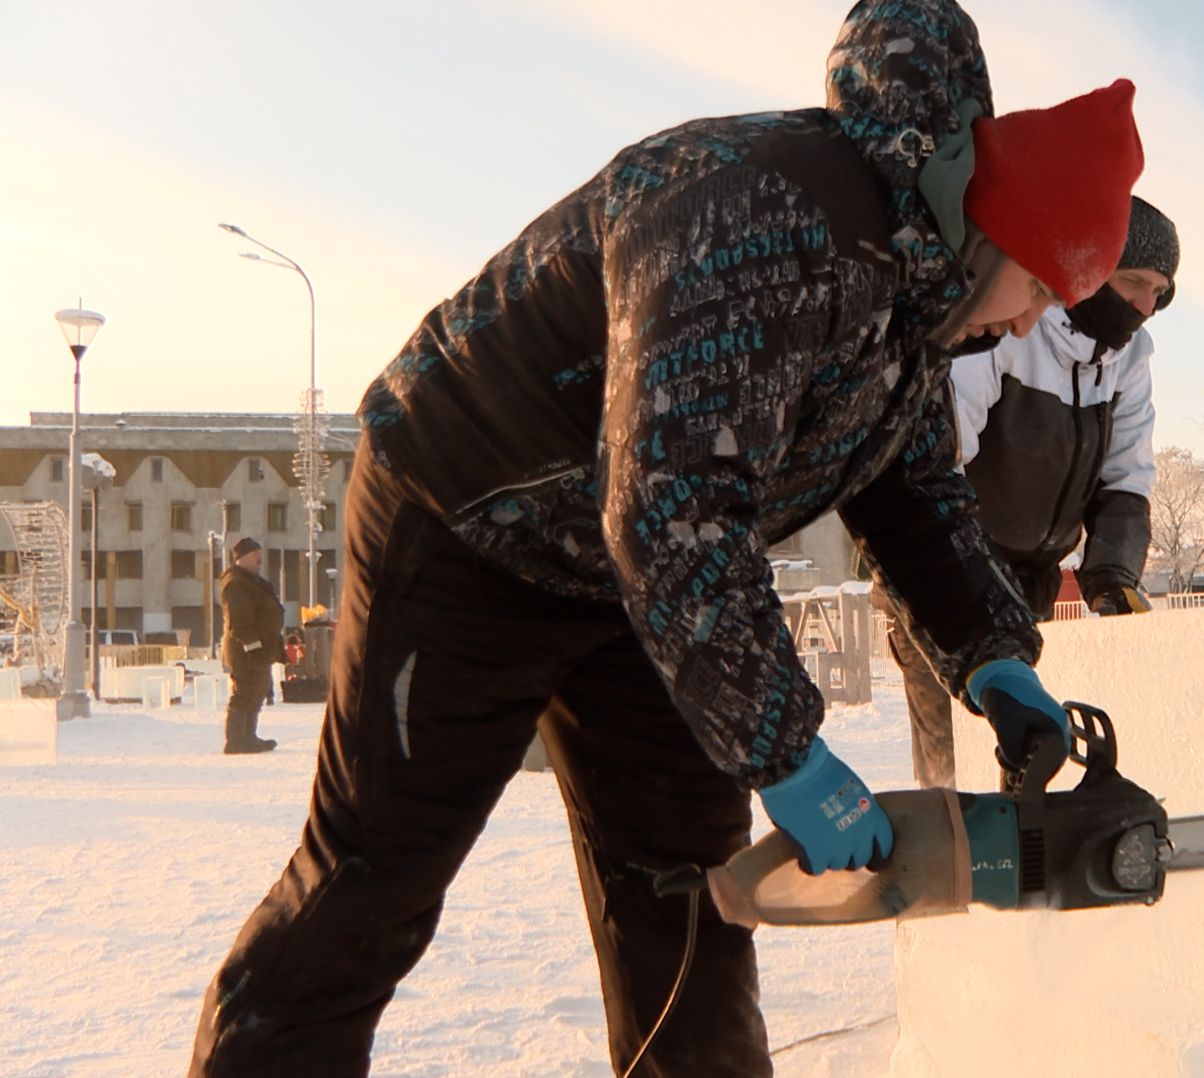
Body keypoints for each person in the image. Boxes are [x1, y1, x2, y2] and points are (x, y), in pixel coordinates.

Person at [188, 2, 1144, 1075]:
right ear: (994, 236)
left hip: (635, 587)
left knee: (688, 901)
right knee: (377, 876)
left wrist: (995, 655)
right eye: (1036, 291)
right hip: (466, 521)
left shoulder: (913, 310)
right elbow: (672, 508)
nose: (1028, 323)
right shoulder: (755, 212)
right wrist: (786, 749)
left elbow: (912, 490)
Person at [880, 197, 1178, 788]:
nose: (1146, 306)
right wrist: (975, 584)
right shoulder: (1009, 325)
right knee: (953, 775)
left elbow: (1127, 474)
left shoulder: (1130, 359)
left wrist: (1113, 576)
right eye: (1133, 281)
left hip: (1031, 589)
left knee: (1027, 756)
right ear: (1088, 275)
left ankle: (1013, 869)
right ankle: (953, 874)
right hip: (943, 577)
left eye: (1160, 292)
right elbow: (939, 462)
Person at [217, 536, 285, 755]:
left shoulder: (252, 580)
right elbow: (240, 620)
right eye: (256, 556)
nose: (260, 560)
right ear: (243, 557)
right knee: (245, 692)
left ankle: (249, 736)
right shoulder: (235, 583)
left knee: (258, 691)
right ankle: (236, 740)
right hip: (246, 651)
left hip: (260, 650)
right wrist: (252, 646)